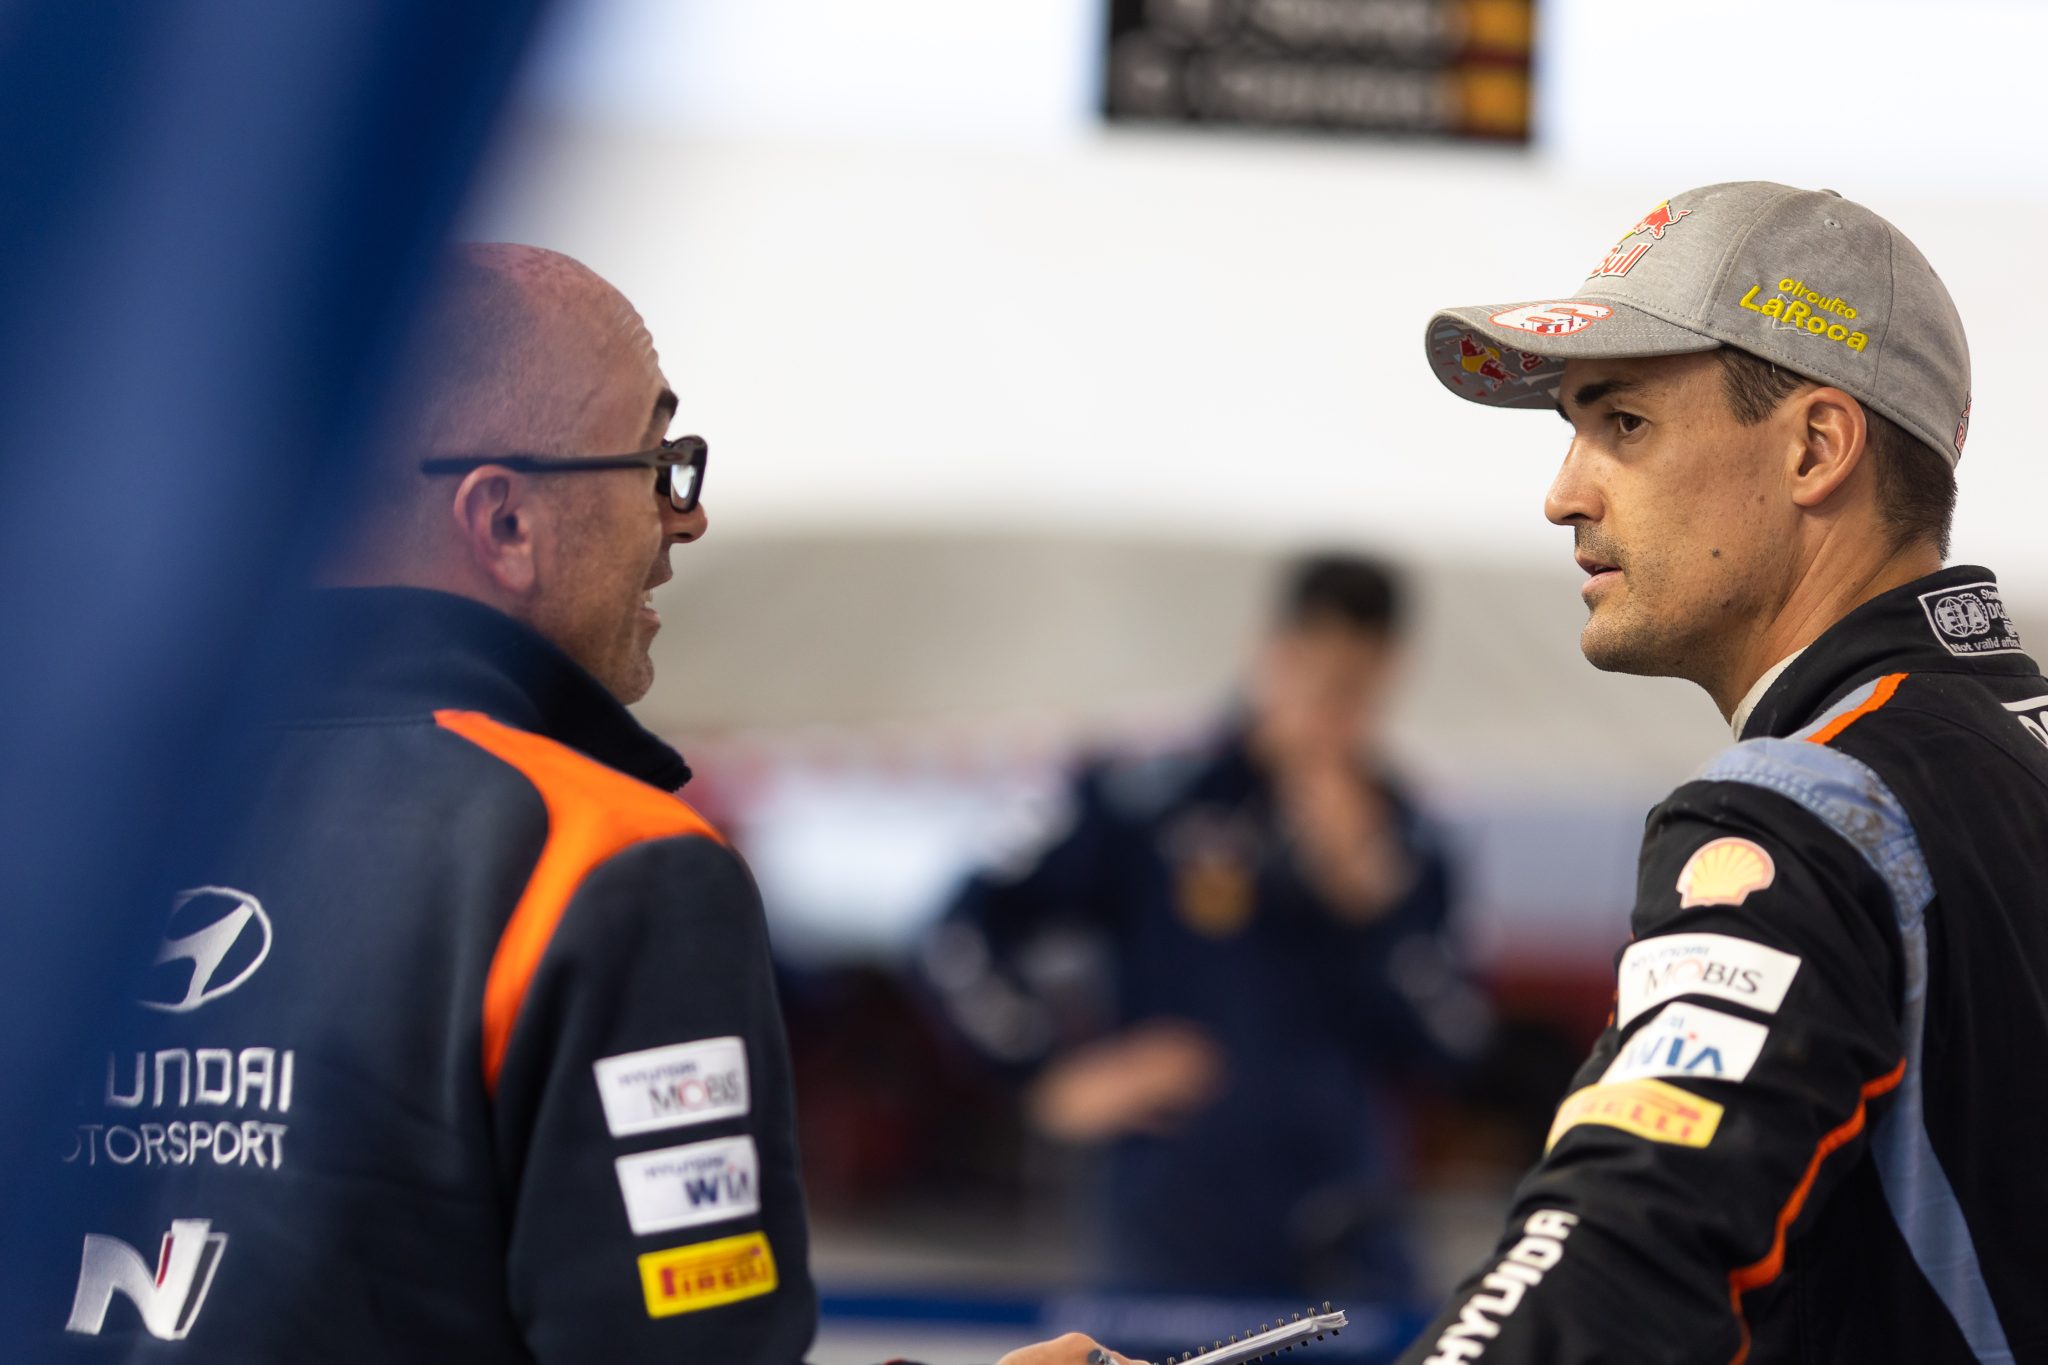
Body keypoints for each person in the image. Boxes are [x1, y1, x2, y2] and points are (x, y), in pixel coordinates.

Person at [47, 244, 1132, 1365]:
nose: (685, 519)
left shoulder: (59, 828)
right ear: (504, 524)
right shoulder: (607, 864)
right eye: (658, 462)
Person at [1398, 181, 2046, 1362]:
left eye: (1622, 423)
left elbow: (1609, 1264)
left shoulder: (1807, 809)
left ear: (1813, 448)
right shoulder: (2006, 754)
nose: (1561, 495)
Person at [924, 554, 1489, 1299]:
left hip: (1350, 1224)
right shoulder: (1151, 794)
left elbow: (1454, 1041)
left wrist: (1375, 906)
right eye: (1313, 675)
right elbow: (959, 933)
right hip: (1176, 1225)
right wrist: (1047, 1072)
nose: (1326, 710)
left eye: (1352, 688)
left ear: (1390, 674)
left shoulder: (1408, 834)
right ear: (1270, 653)